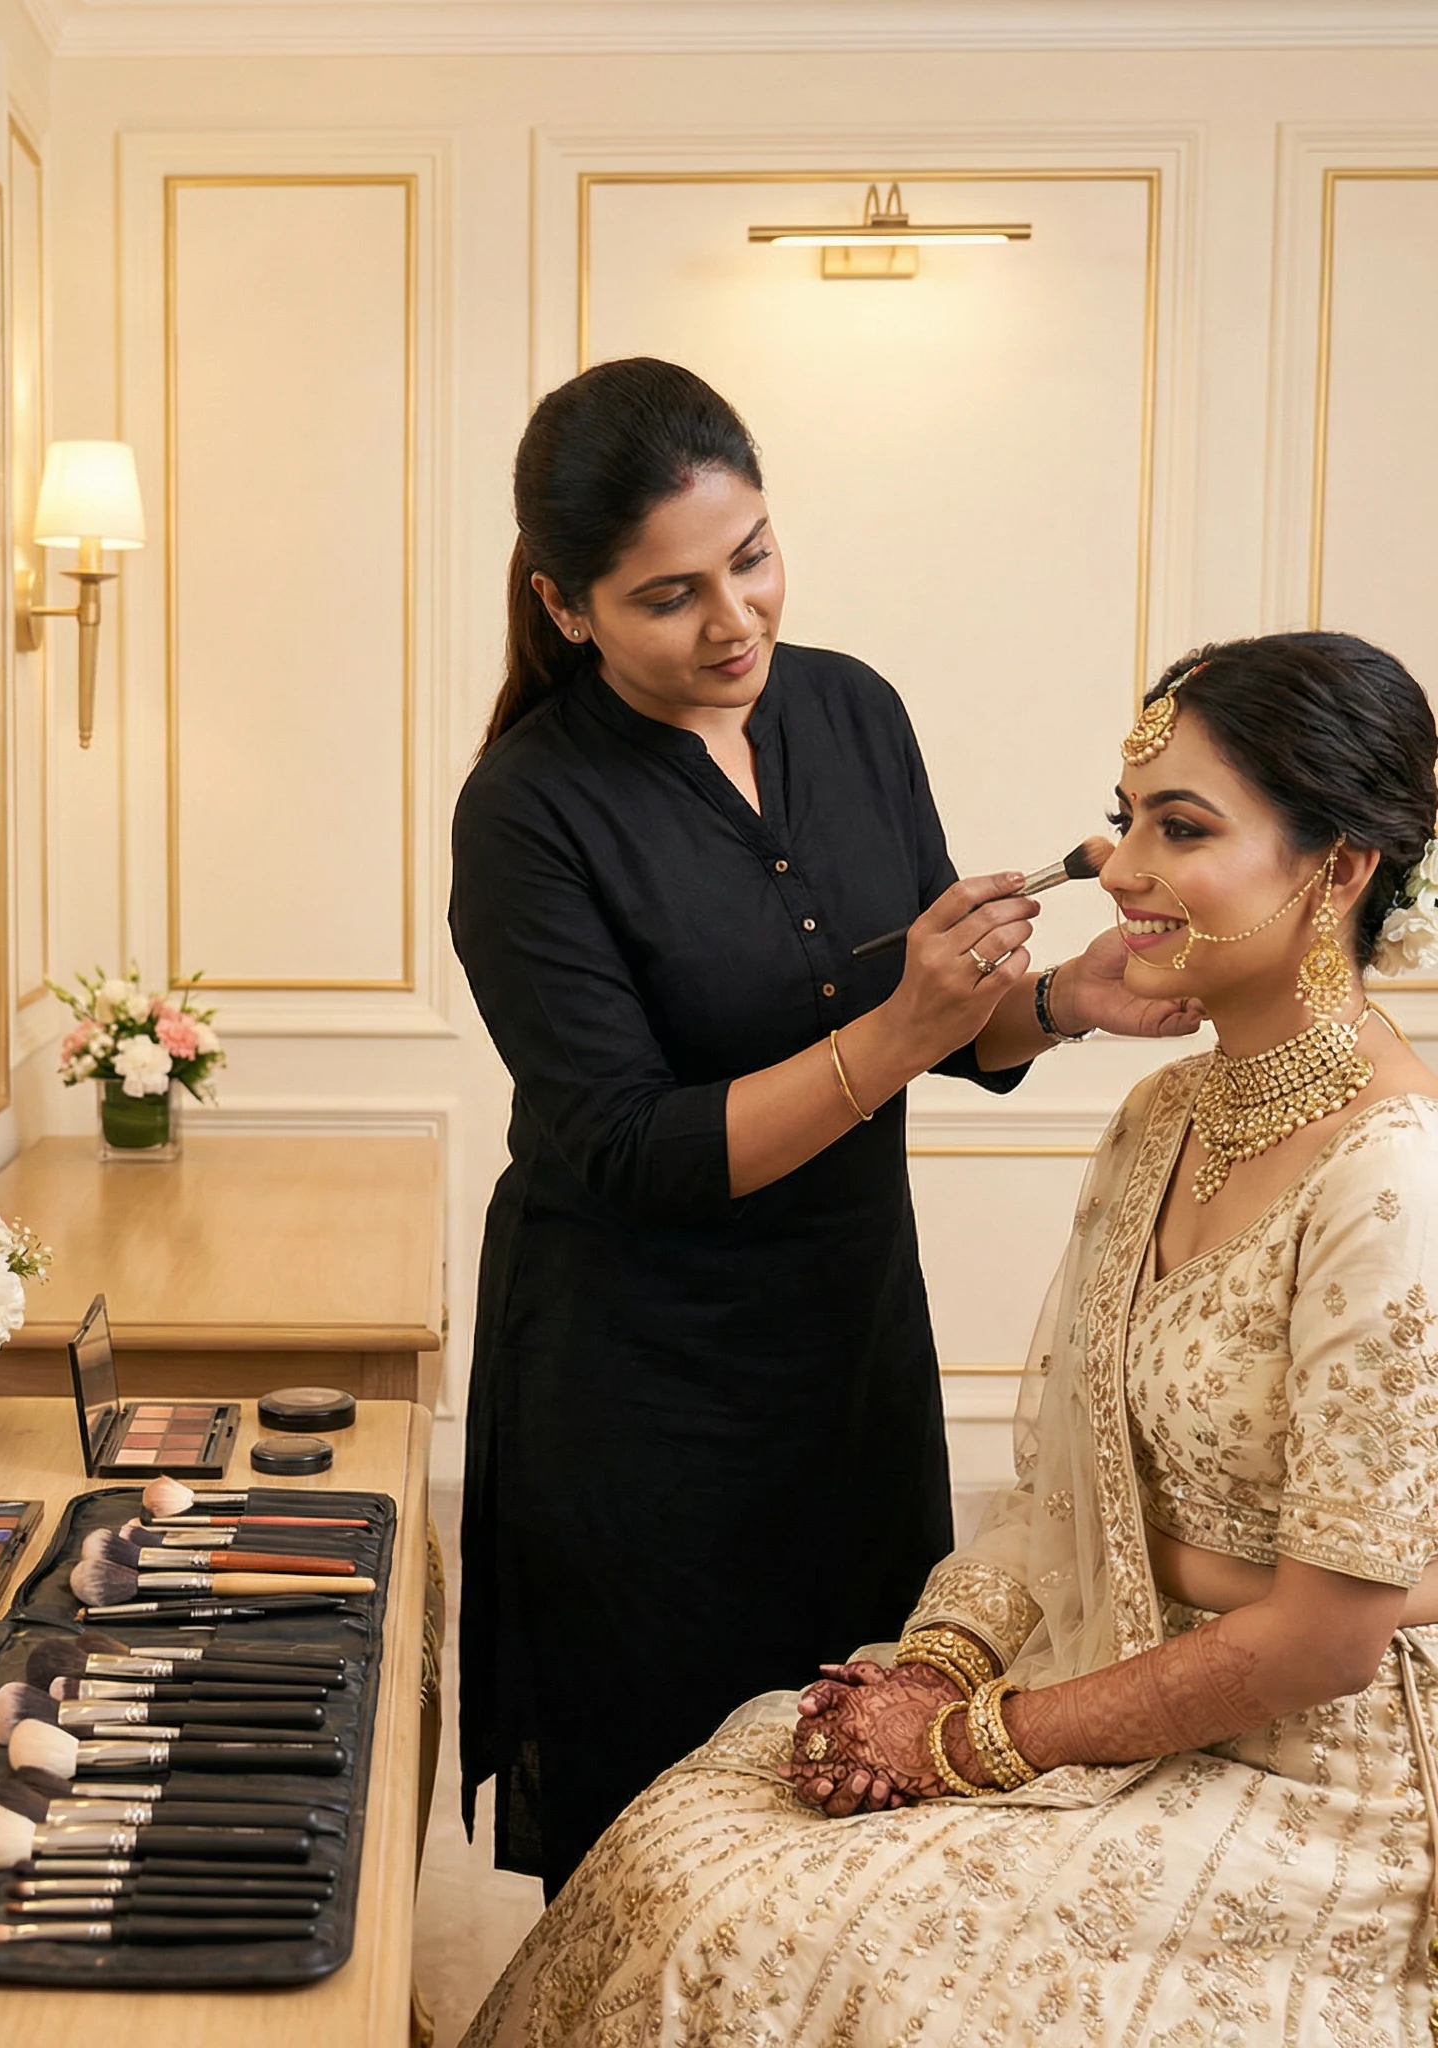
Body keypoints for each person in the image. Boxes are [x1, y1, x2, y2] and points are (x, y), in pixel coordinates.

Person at [463, 628, 1438, 2044]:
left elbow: (1327, 1644)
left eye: (1183, 827)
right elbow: (1057, 1494)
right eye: (1124, 822)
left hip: (1309, 1769)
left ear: (1339, 867)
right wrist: (934, 1667)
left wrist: (974, 1739)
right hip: (1106, 1664)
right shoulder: (1163, 1120)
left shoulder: (1391, 1187)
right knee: (692, 1839)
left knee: (795, 1953)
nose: (1116, 867)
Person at [448, 357, 1200, 1901]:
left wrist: (1060, 1001)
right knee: (647, 1825)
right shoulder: (525, 811)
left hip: (847, 1340)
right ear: (566, 606)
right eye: (670, 595)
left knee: (854, 1781)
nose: (736, 620)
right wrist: (911, 1027)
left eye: (754, 556)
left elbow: (936, 1001)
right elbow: (634, 1148)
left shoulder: (853, 709)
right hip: (640, 1385)